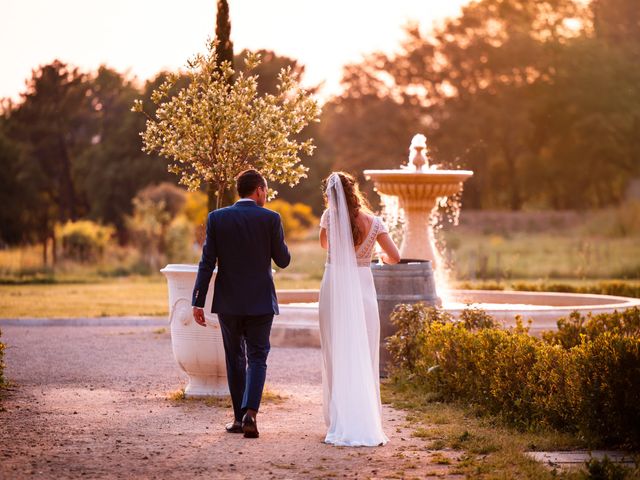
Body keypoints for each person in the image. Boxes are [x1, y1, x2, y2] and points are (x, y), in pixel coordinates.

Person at [192, 169, 290, 439]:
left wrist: (197, 301)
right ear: (259, 189)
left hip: (229, 303)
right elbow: (283, 260)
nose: (266, 195)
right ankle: (251, 414)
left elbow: (206, 262)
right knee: (257, 358)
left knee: (235, 359)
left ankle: (237, 419)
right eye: (266, 190)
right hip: (260, 302)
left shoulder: (216, 218)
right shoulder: (271, 219)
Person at [318, 171, 401, 446]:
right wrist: (375, 255)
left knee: (334, 349)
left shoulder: (330, 217)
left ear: (332, 194)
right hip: (364, 287)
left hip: (335, 284)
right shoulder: (375, 222)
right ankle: (365, 418)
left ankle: (337, 418)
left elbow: (325, 245)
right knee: (364, 351)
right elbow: (395, 257)